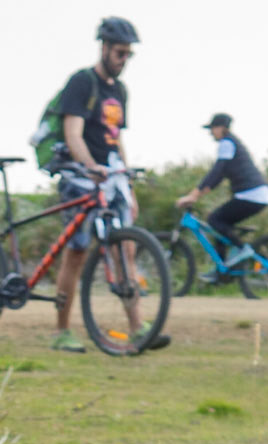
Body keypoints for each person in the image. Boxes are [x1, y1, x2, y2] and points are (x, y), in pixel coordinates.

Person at [41, 17, 169, 353]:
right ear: (104, 48)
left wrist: (126, 182)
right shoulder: (82, 82)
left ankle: (139, 327)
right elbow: (73, 133)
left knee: (124, 247)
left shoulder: (119, 91)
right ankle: (61, 332)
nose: (123, 60)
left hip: (109, 175)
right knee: (78, 252)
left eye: (128, 55)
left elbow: (116, 139)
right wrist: (89, 166)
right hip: (79, 173)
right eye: (119, 53)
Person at [176, 116, 268, 249]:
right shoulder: (232, 143)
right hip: (257, 195)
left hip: (251, 195)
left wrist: (193, 194)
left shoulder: (226, 143)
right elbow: (217, 178)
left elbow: (217, 171)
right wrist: (199, 194)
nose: (210, 132)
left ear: (221, 128)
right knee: (220, 224)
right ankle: (223, 267)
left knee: (214, 220)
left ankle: (244, 251)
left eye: (212, 128)